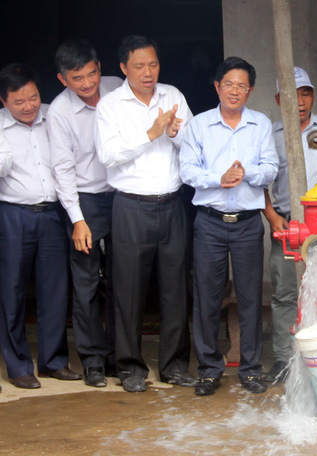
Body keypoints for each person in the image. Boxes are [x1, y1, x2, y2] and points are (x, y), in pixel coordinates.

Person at [96, 35, 196, 393]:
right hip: (131, 207)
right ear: (123, 68)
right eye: (139, 66)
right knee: (128, 290)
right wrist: (151, 133)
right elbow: (108, 156)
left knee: (175, 290)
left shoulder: (173, 96)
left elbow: (194, 145)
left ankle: (174, 366)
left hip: (172, 204)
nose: (148, 72)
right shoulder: (110, 106)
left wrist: (174, 133)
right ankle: (129, 367)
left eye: (153, 64)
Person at [180, 57, 278, 396]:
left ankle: (250, 369)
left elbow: (271, 168)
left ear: (249, 90)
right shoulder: (199, 125)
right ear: (217, 86)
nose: (234, 91)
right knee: (207, 298)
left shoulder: (261, 124)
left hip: (248, 224)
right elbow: (187, 171)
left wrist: (246, 173)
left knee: (250, 298)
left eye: (242, 86)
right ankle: (209, 369)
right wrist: (218, 179)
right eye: (229, 84)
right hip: (209, 222)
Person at [262, 66, 317, 383]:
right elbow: (260, 183)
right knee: (285, 294)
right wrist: (271, 215)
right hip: (287, 225)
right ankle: (284, 360)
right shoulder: (269, 134)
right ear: (277, 98)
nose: (300, 101)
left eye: (306, 93)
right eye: (292, 95)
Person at [0, 63, 81, 389]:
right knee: (12, 291)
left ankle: (53, 361)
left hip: (52, 214)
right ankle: (18, 365)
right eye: (19, 102)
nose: (28, 106)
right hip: (12, 215)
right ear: (4, 101)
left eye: (33, 97)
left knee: (55, 290)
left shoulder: (54, 116)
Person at [48, 39, 123, 388]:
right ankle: (93, 359)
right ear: (63, 79)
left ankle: (120, 356)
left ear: (99, 66)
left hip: (122, 195)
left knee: (123, 280)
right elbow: (62, 169)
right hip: (86, 201)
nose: (88, 83)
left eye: (92, 73)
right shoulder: (60, 112)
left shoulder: (116, 88)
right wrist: (77, 219)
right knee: (86, 282)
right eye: (78, 78)